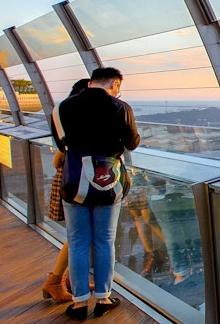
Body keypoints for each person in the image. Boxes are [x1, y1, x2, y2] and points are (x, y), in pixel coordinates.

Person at [59, 68, 140, 320]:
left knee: (78, 241)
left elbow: (61, 143)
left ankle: (79, 302)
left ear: (91, 81)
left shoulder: (63, 107)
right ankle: (103, 298)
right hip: (108, 182)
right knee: (105, 240)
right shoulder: (120, 107)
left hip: (75, 181)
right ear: (115, 83)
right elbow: (132, 142)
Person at [41, 78, 89, 304]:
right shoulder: (75, 122)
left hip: (70, 179)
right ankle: (55, 281)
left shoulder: (63, 117)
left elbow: (57, 158)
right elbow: (61, 156)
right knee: (78, 235)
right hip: (77, 182)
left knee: (78, 234)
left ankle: (71, 279)